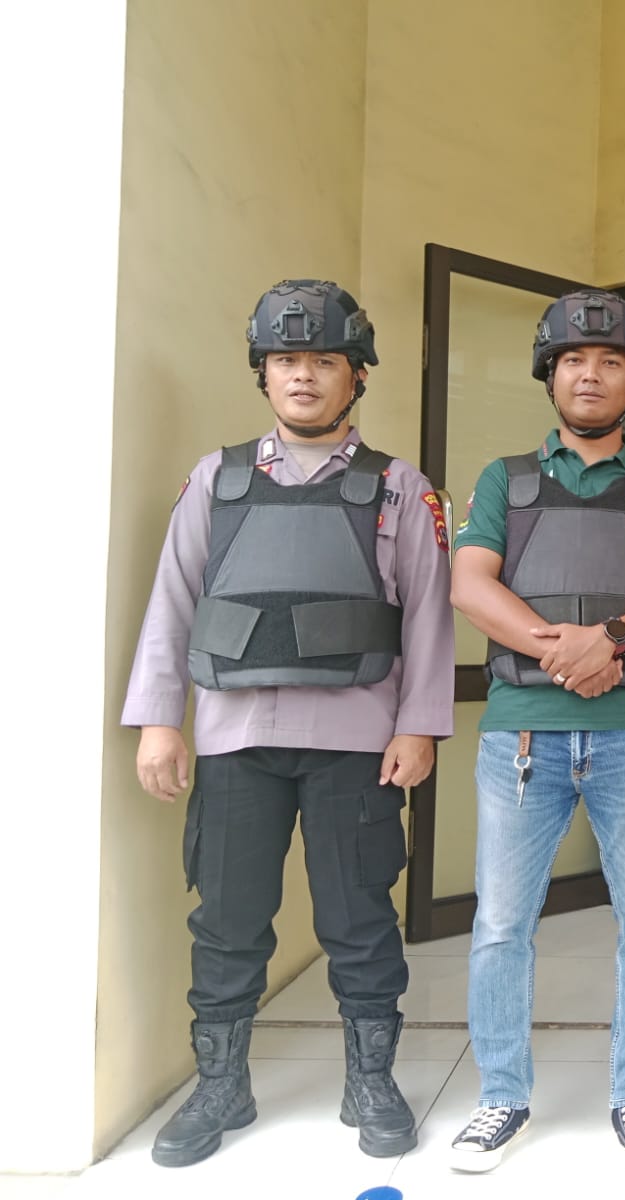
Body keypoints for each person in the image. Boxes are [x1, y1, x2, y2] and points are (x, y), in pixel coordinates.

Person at [123, 279, 455, 1166]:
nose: (303, 375)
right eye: (285, 360)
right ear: (263, 375)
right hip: (236, 740)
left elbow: (429, 616)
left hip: (356, 741)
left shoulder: (399, 488)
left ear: (357, 377)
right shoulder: (217, 480)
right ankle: (221, 1086)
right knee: (228, 921)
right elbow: (173, 601)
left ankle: (370, 1081)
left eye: (323, 361)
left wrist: (420, 725)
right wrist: (159, 721)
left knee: (359, 917)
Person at [446, 289, 625, 1174]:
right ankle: (501, 1097)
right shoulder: (505, 479)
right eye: (572, 360)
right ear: (549, 375)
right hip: (523, 738)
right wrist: (564, 650)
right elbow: (470, 585)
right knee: (500, 925)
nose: (589, 374)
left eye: (609, 361)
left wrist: (614, 638)